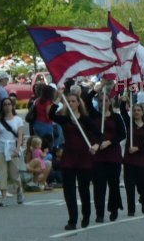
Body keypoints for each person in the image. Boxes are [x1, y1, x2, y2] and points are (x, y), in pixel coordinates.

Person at [49, 91, 100, 230]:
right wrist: (59, 99)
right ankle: (72, 220)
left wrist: (95, 145)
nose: (71, 103)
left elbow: (99, 136)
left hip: (84, 157)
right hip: (69, 157)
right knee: (69, 191)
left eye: (73, 101)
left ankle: (86, 215)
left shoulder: (85, 119)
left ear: (78, 103)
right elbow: (51, 115)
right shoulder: (64, 119)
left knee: (84, 189)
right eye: (69, 101)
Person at [85, 83, 126, 222]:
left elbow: (122, 134)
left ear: (110, 101)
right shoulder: (94, 115)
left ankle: (113, 209)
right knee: (99, 186)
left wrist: (109, 142)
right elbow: (86, 100)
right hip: (98, 156)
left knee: (113, 185)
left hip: (113, 155)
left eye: (106, 100)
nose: (103, 103)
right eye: (101, 100)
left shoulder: (116, 117)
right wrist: (97, 88)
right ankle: (99, 213)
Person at [120, 94, 144, 216]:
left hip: (141, 160)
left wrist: (138, 148)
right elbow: (123, 111)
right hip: (129, 160)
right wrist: (123, 101)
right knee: (129, 186)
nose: (136, 112)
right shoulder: (129, 123)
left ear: (142, 112)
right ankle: (131, 209)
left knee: (141, 185)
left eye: (138, 110)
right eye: (134, 110)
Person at [0, 97, 25, 207]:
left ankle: (19, 189)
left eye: (9, 104)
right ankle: (4, 197)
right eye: (5, 104)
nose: (7, 106)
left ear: (12, 106)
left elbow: (20, 136)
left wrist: (17, 149)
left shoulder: (18, 120)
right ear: (2, 107)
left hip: (12, 148)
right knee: (2, 172)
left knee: (14, 173)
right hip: (0, 148)